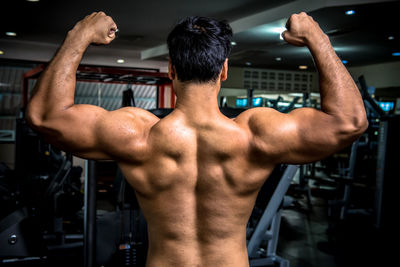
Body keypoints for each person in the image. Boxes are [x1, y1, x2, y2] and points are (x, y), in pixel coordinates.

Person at [26, 11, 368, 267]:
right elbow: (350, 121)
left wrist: (78, 35)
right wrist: (317, 38)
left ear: (171, 70)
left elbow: (45, 116)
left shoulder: (138, 136)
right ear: (223, 70)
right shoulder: (255, 136)